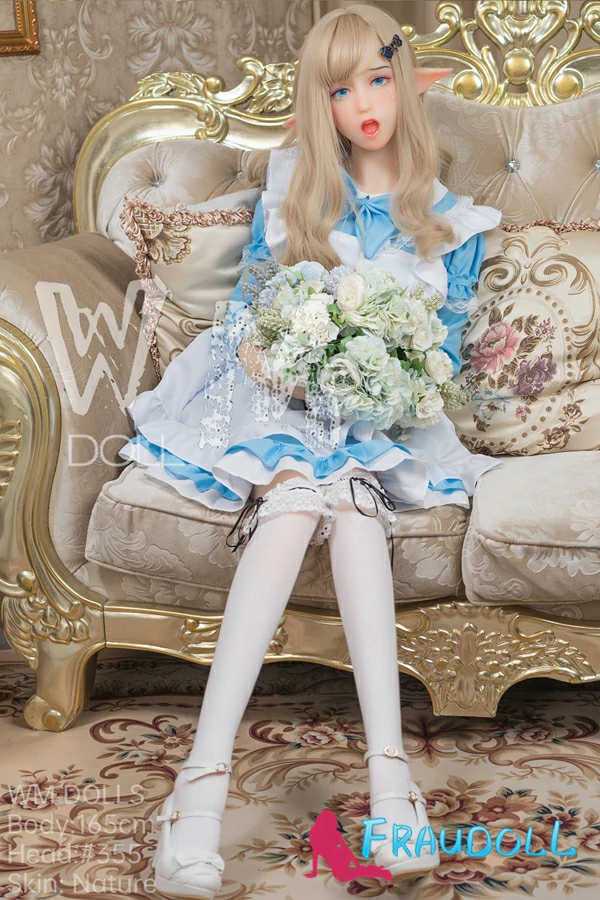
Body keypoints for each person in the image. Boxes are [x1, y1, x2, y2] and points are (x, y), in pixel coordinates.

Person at [120, 5, 503, 897]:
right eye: (339, 90)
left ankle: (384, 783)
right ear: (320, 102)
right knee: (297, 498)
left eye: (377, 79)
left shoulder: (454, 221)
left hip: (377, 416)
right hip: (274, 397)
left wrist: (386, 378)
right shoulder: (296, 183)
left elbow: (442, 357)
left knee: (355, 507)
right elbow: (248, 307)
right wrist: (268, 355)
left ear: (404, 83)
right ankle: (207, 783)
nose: (363, 104)